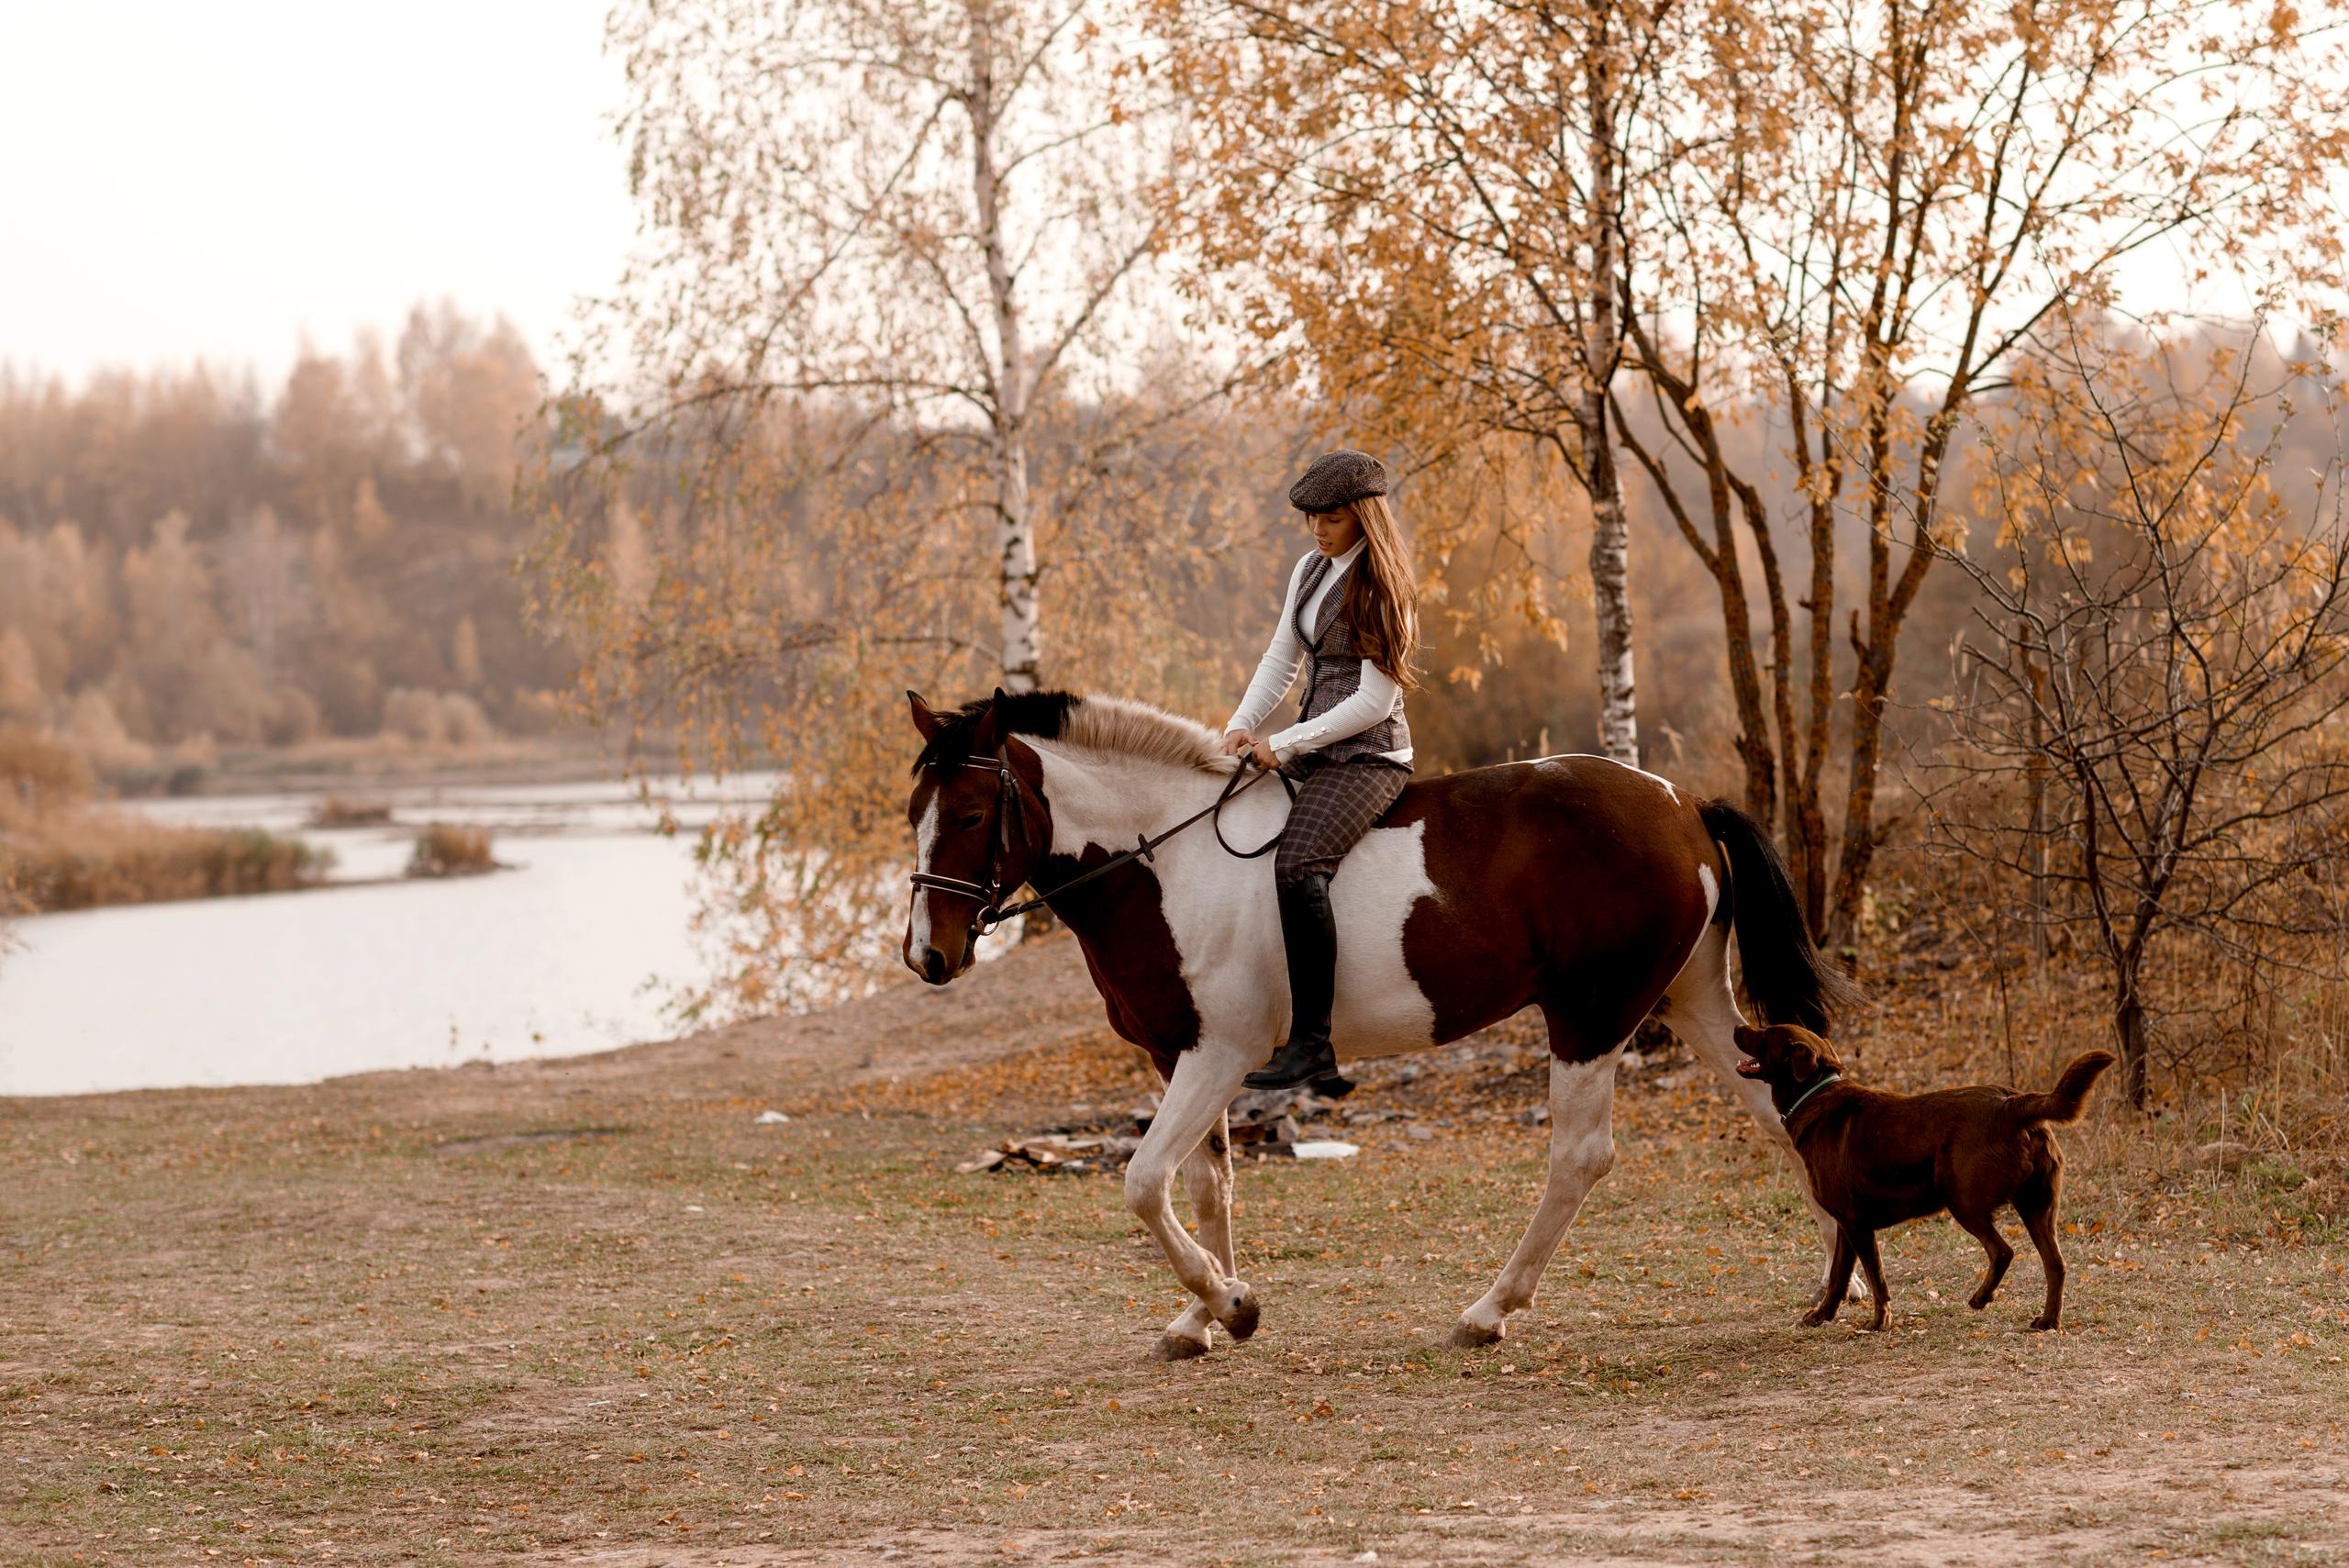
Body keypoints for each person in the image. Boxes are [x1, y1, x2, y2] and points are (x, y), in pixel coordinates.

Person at [1225, 450, 1420, 1092]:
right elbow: (1281, 656)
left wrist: (1284, 742)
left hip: (1369, 756)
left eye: (1331, 519)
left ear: (1364, 516)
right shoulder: (1310, 570)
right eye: (1312, 518)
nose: (1317, 530)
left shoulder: (1383, 586)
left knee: (1297, 862)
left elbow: (1374, 702)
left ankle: (1313, 1043)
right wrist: (1241, 723)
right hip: (1313, 747)